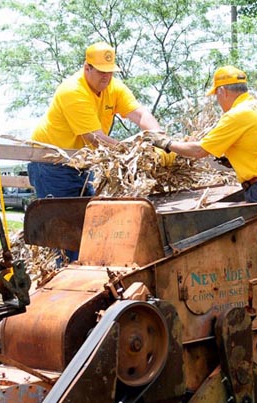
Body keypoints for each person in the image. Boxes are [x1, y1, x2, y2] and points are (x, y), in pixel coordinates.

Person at [152, 65, 257, 343]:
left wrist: (167, 143)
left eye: (216, 96)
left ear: (223, 91)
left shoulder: (237, 115)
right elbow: (254, 146)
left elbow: (197, 152)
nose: (218, 102)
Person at [28, 41, 162, 262]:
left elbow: (138, 114)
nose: (106, 77)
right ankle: (68, 278)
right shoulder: (73, 91)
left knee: (89, 221)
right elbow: (95, 137)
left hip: (80, 163)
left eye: (110, 72)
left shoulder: (113, 87)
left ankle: (82, 270)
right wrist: (133, 151)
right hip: (51, 164)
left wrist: (160, 137)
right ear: (86, 68)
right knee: (66, 230)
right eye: (101, 72)